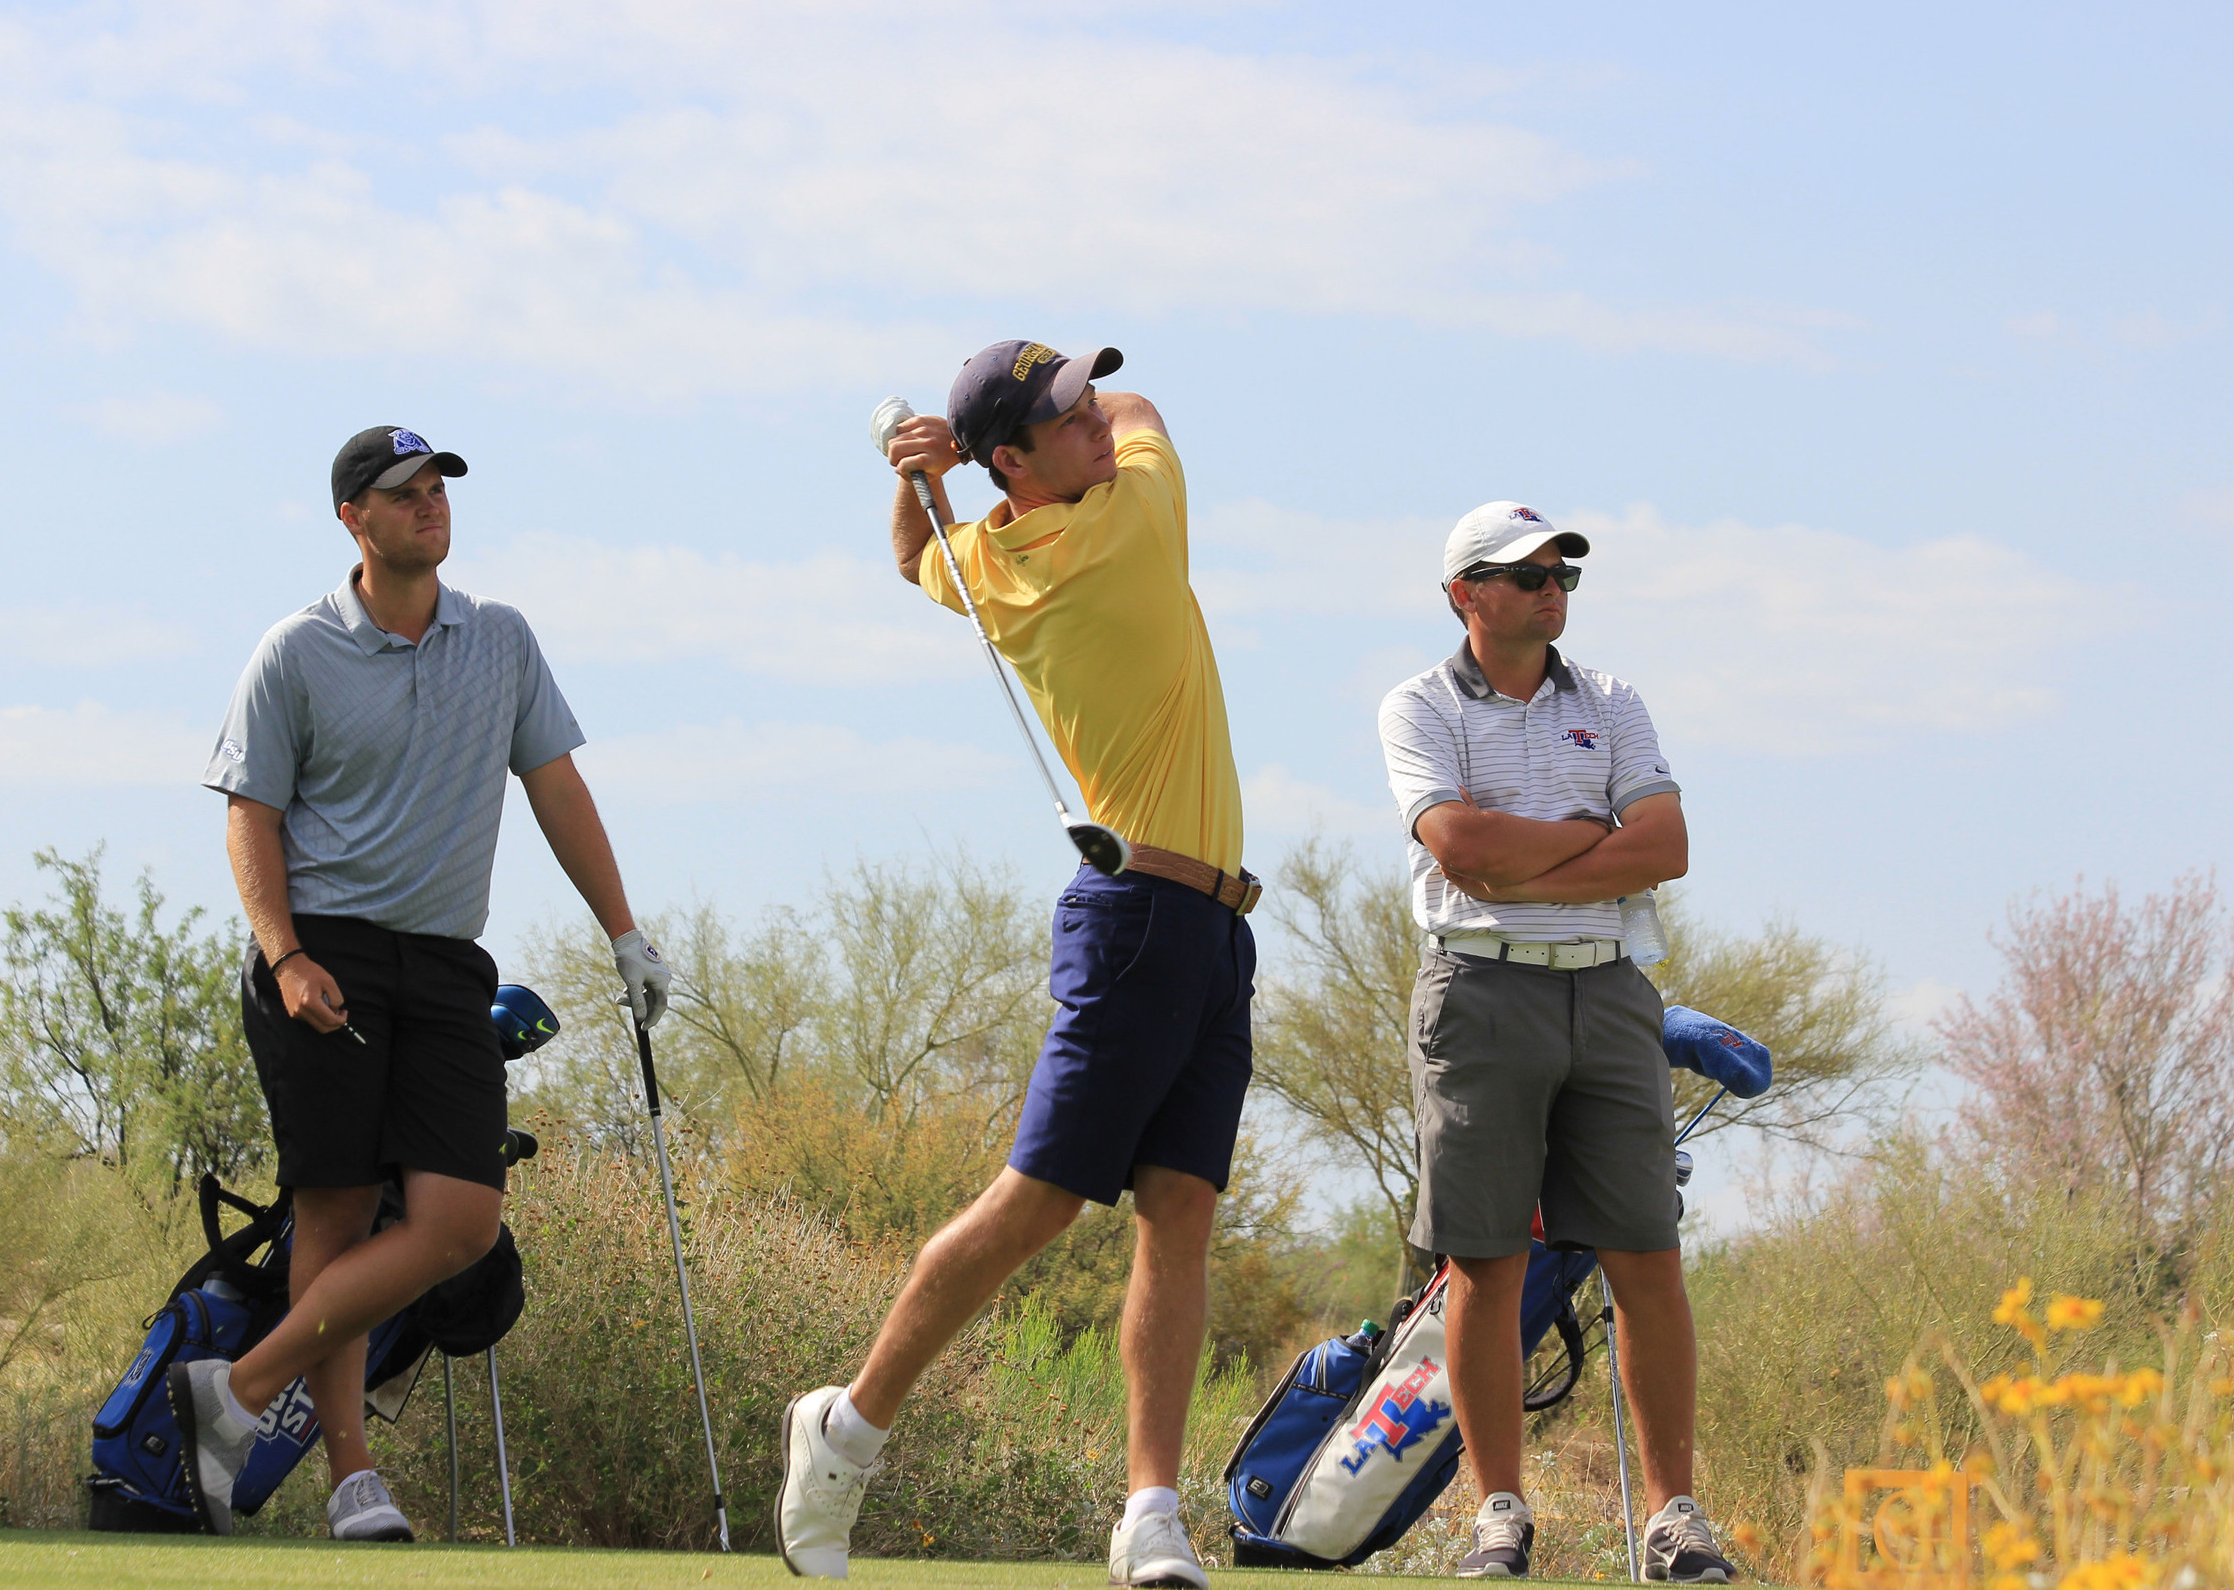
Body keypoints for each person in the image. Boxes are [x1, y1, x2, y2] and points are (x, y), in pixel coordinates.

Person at [776, 344, 1256, 1588]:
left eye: (1087, 400)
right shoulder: (1133, 522)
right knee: (1036, 1200)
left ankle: (1151, 1510)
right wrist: (943, 457)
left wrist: (915, 474)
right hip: (1141, 912)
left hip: (1207, 926)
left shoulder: (994, 558)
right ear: (1013, 460)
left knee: (1182, 1212)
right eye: (1064, 417)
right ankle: (847, 1426)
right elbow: (1155, 406)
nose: (1098, 422)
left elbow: (911, 557)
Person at [172, 425, 675, 1542]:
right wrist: (285, 953)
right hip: (326, 955)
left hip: (447, 961)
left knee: (458, 1217)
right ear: (353, 518)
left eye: (436, 486)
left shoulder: (500, 638)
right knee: (338, 1208)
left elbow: (556, 786)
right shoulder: (295, 651)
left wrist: (624, 932)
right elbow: (248, 816)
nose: (428, 505)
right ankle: (353, 1474)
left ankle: (238, 1390)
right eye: (401, 493)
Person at [1375, 502, 1735, 1584]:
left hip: (1612, 994)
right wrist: (1594, 838)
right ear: (1462, 594)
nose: (1551, 584)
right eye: (1523, 570)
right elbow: (1459, 845)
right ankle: (1499, 1513)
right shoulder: (1419, 703)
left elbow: (1663, 844)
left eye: (1560, 567)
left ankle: (1673, 1514)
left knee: (1647, 1255)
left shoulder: (1613, 699)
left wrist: (1530, 859)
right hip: (1479, 994)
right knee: (1484, 1261)